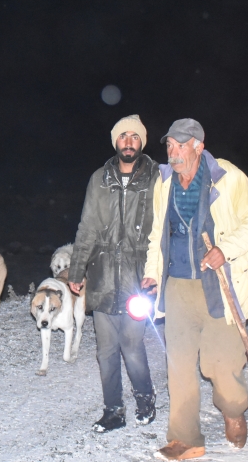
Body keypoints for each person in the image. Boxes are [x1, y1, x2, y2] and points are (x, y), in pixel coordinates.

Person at [141, 118, 248, 461]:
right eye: (169, 146)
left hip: (219, 285)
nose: (173, 152)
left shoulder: (228, 177)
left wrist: (225, 249)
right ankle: (185, 439)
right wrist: (152, 275)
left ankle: (233, 409)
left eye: (180, 145)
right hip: (178, 286)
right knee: (179, 365)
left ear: (199, 145)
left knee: (221, 364)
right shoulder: (163, 182)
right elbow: (157, 235)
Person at [67, 114, 158, 433]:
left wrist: (158, 271)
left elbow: (164, 228)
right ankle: (113, 411)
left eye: (135, 137)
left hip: (138, 276)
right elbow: (88, 226)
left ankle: (145, 398)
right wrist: (77, 269)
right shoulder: (98, 179)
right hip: (103, 275)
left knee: (132, 344)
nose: (129, 142)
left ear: (141, 142)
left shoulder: (156, 177)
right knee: (105, 349)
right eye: (123, 137)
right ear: (116, 142)